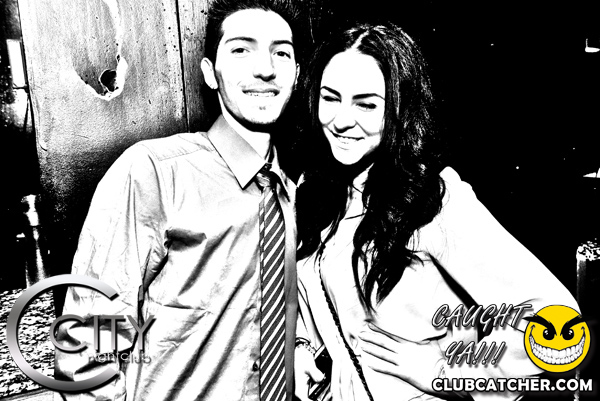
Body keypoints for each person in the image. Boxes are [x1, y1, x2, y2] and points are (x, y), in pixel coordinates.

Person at [293, 22, 580, 401]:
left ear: (400, 109)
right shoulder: (317, 189)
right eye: (330, 98)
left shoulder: (434, 202)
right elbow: (315, 291)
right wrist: (301, 346)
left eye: (366, 104)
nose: (341, 120)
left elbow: (558, 323)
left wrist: (445, 372)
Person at [54, 0, 301, 399]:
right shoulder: (152, 173)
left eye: (282, 53)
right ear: (210, 73)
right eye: (241, 49)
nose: (266, 68)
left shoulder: (292, 190)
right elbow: (88, 344)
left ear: (296, 74)